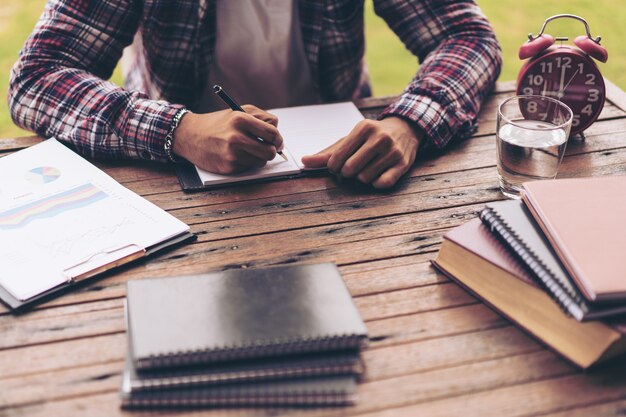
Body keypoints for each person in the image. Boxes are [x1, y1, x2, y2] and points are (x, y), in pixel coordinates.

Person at [8, 0, 501, 189]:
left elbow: (465, 37)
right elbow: (38, 77)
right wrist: (179, 129)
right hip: (168, 180)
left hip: (339, 174)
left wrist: (408, 123)